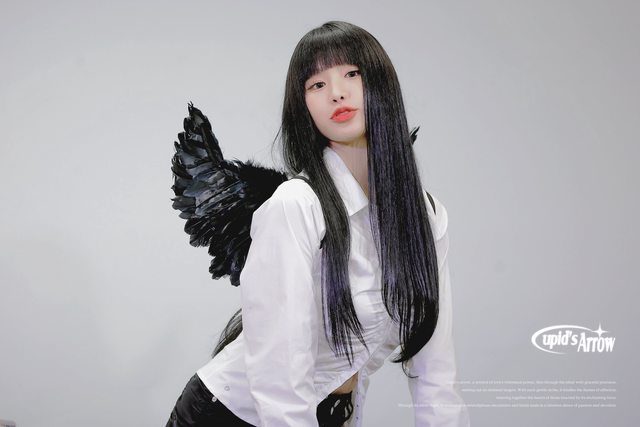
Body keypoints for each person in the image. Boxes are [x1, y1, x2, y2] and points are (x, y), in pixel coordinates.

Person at [166, 20, 470, 427]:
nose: (337, 93)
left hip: (328, 414)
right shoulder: (296, 205)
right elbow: (280, 377)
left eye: (352, 74)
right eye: (317, 84)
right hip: (232, 416)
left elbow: (437, 374)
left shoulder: (426, 218)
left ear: (381, 84)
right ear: (303, 106)